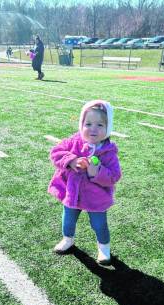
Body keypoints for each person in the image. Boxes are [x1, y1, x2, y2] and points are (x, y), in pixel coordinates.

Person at [48, 100, 122, 265]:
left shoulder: (109, 152)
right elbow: (56, 152)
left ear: (108, 128)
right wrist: (72, 160)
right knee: (68, 220)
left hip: (96, 199)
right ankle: (68, 239)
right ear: (81, 124)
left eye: (100, 125)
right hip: (72, 193)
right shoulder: (74, 141)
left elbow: (115, 176)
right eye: (88, 123)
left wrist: (97, 172)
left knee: (99, 225)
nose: (93, 129)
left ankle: (104, 249)